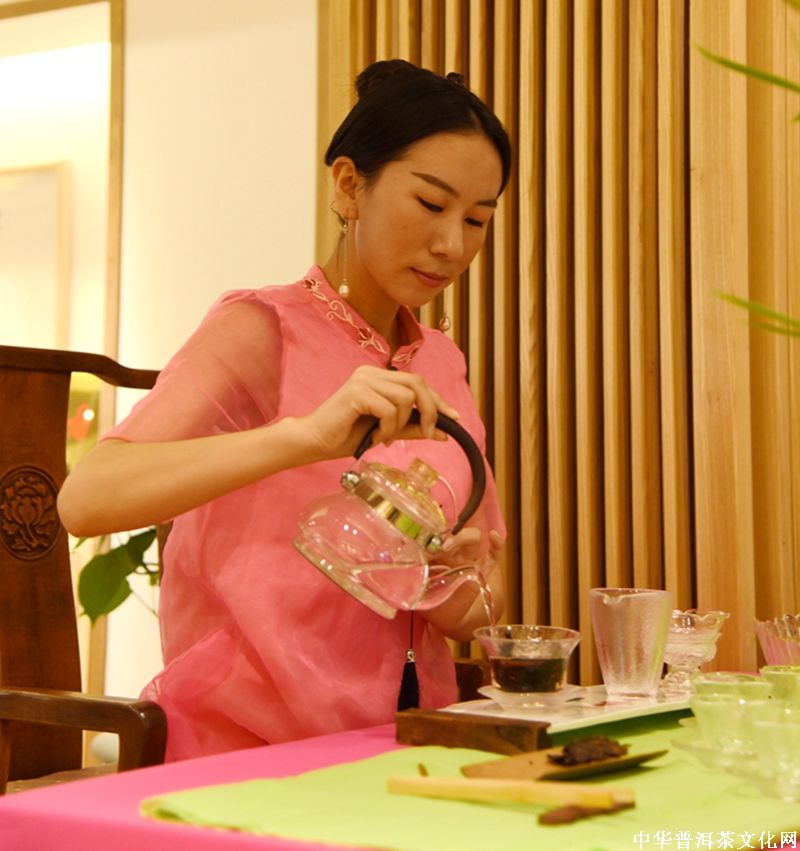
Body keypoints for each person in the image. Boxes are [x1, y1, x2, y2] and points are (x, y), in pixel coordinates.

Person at [58, 59, 512, 761]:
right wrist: (305, 438)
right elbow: (86, 500)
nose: (453, 244)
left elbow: (483, 606)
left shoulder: (442, 362)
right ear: (349, 184)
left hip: (407, 743)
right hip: (246, 749)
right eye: (431, 204)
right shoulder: (260, 329)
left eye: (477, 219)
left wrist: (447, 576)